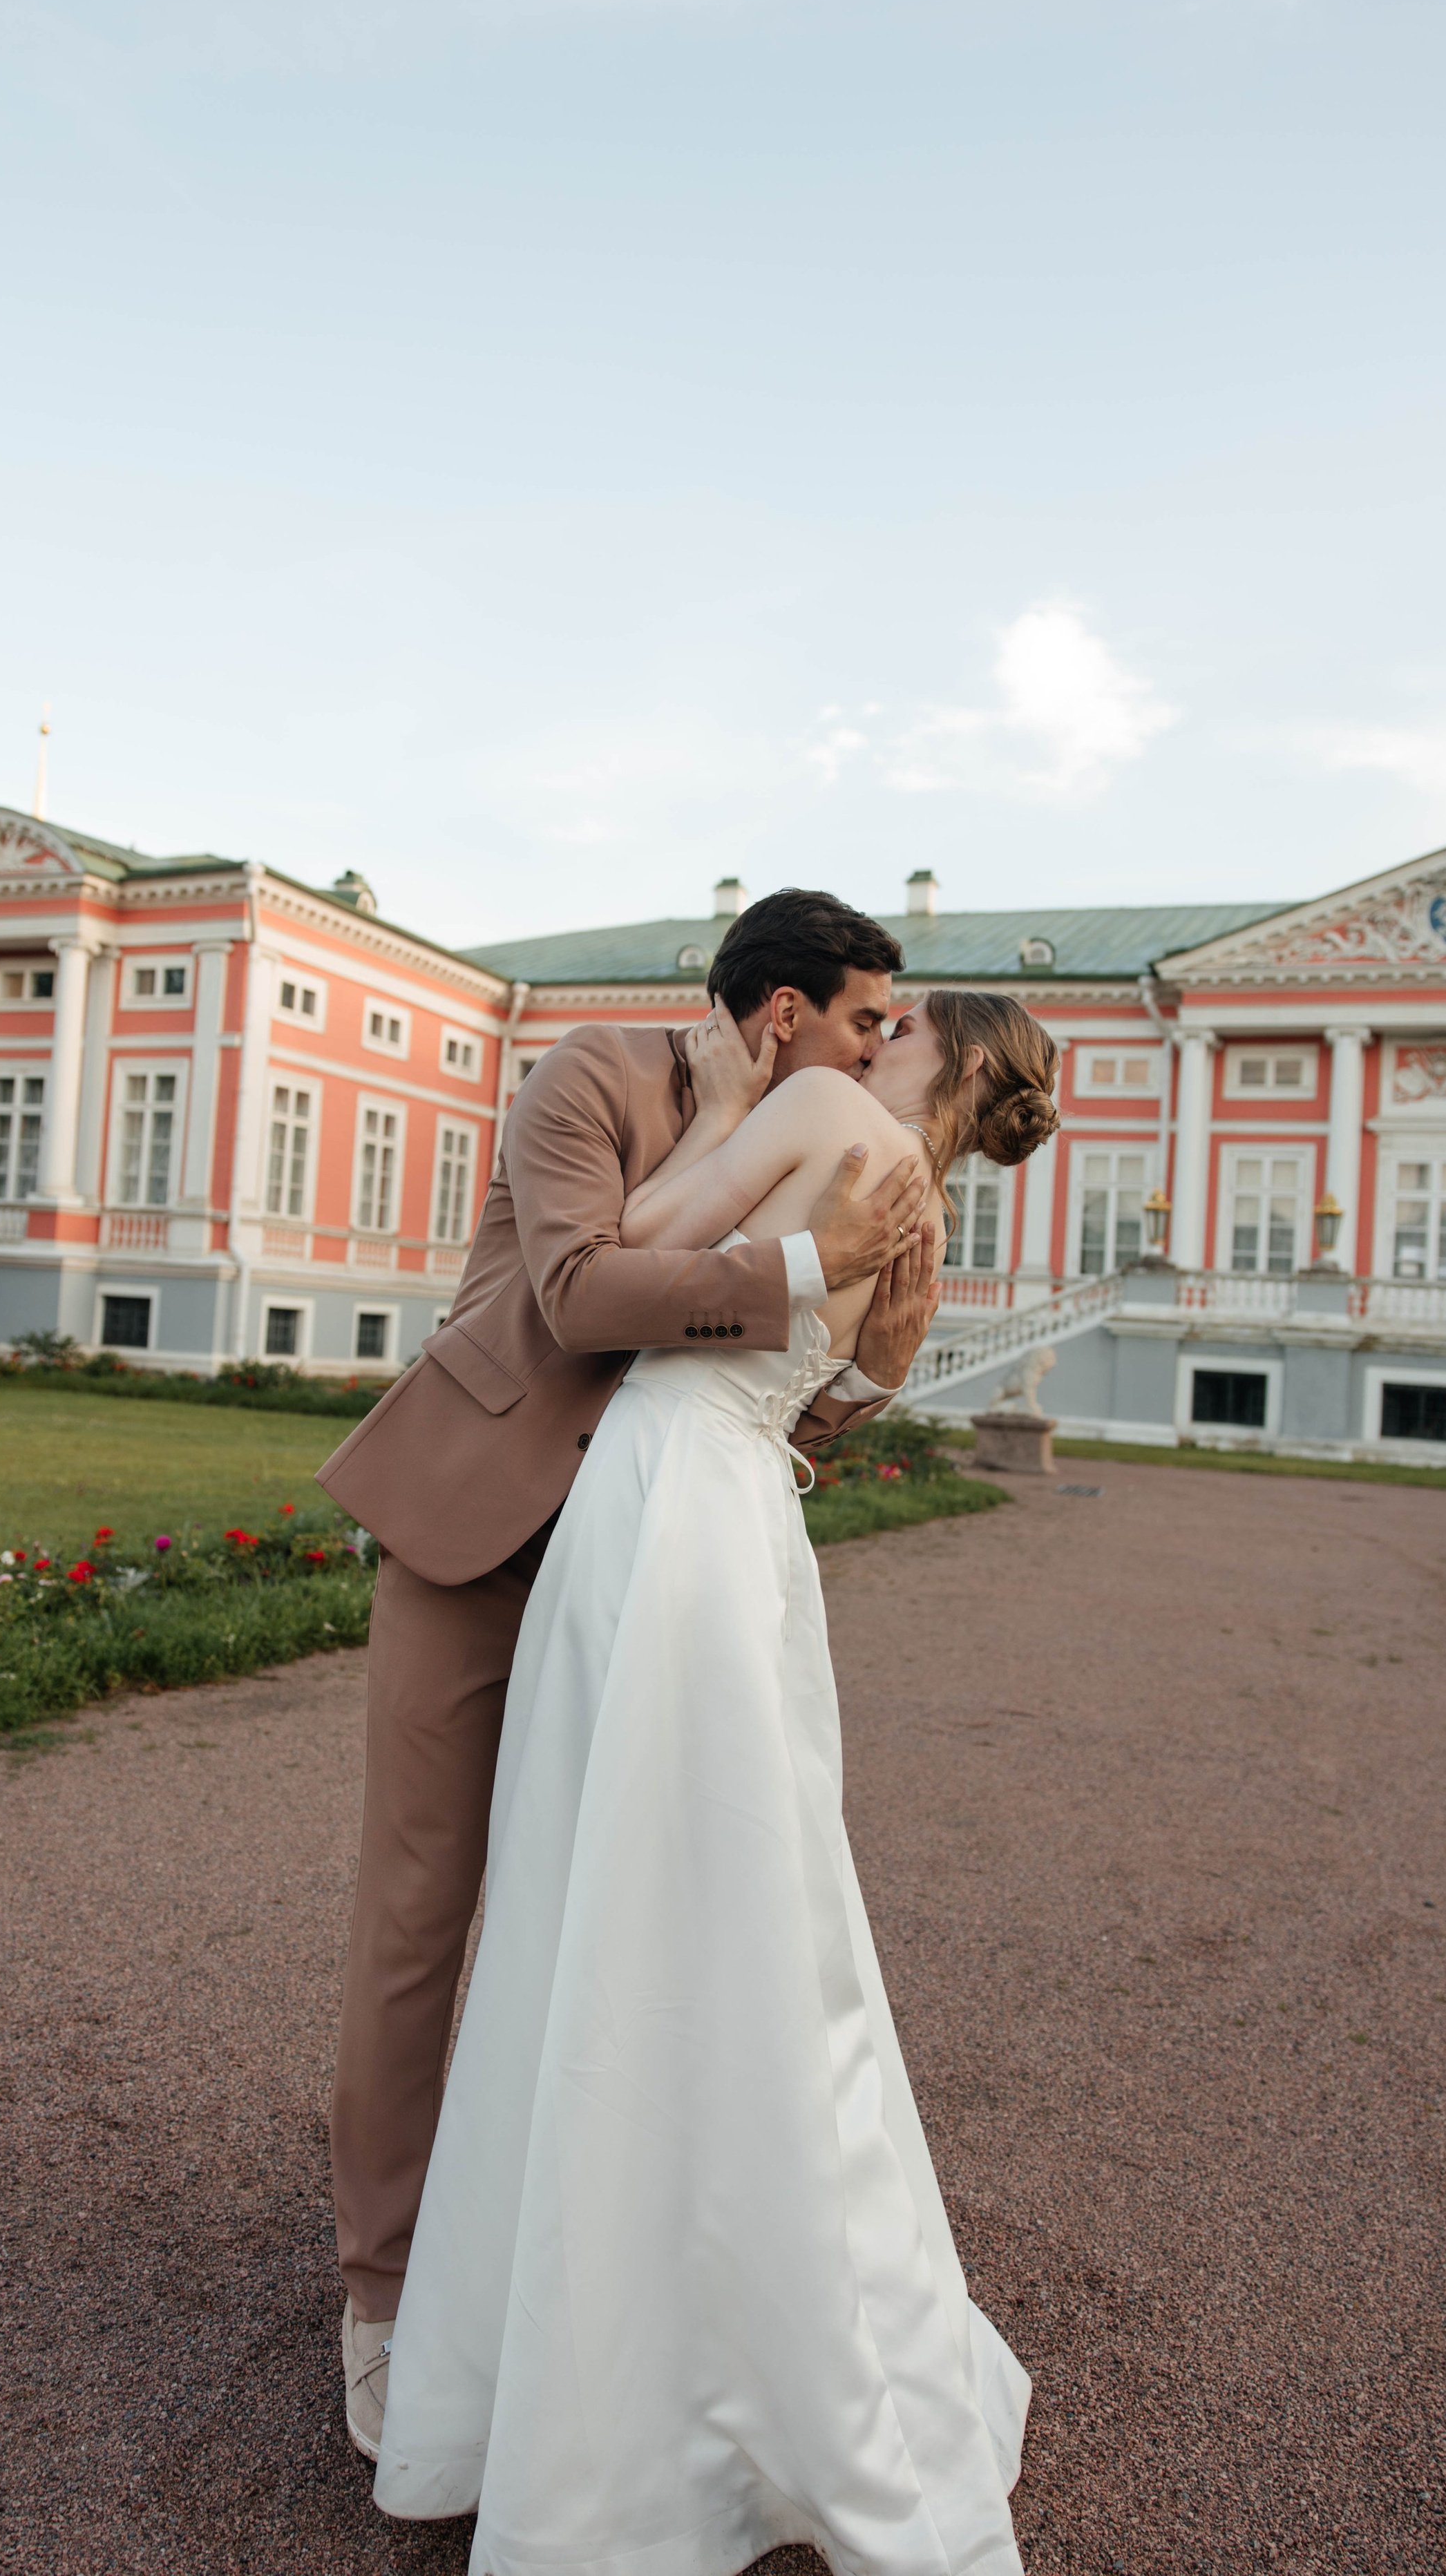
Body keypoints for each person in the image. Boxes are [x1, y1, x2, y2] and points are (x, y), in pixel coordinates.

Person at [371, 987, 1060, 2576]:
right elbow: (844, 1397)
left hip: (662, 1493)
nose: (859, 1043)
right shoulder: (926, 1225)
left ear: (930, 1064)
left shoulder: (826, 1120)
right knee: (751, 1906)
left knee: (595, 1886)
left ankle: (585, 2362)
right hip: (747, 1511)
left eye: (891, 1033)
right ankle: (750, 2319)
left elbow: (625, 1254)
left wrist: (722, 1118)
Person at [317, 889, 942, 2456]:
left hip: (650, 1567)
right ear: (785, 1010)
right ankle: (382, 2292)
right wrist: (803, 1268)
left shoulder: (818, 1131)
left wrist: (878, 1316)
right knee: (419, 1918)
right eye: (870, 1017)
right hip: (480, 1537)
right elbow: (575, 1295)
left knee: (615, 1927)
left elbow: (808, 1394)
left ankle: (553, 2287)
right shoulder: (586, 1074)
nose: (886, 1049)